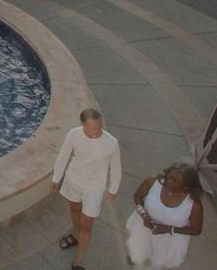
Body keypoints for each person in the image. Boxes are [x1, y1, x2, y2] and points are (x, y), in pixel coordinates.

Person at [51, 108, 122, 270]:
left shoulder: (111, 143)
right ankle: (76, 234)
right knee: (74, 208)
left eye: (99, 127)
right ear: (83, 125)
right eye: (92, 128)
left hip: (94, 188)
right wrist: (56, 178)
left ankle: (78, 261)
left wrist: (113, 190)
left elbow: (116, 169)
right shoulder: (73, 134)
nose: (97, 131)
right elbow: (63, 156)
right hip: (73, 179)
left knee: (87, 224)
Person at [126, 163, 205, 269]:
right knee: (137, 256)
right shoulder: (152, 182)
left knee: (157, 264)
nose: (169, 182)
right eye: (169, 177)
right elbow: (137, 196)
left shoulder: (193, 204)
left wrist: (169, 229)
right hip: (143, 229)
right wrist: (144, 215)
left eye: (176, 181)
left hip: (168, 241)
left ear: (186, 186)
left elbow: (196, 230)